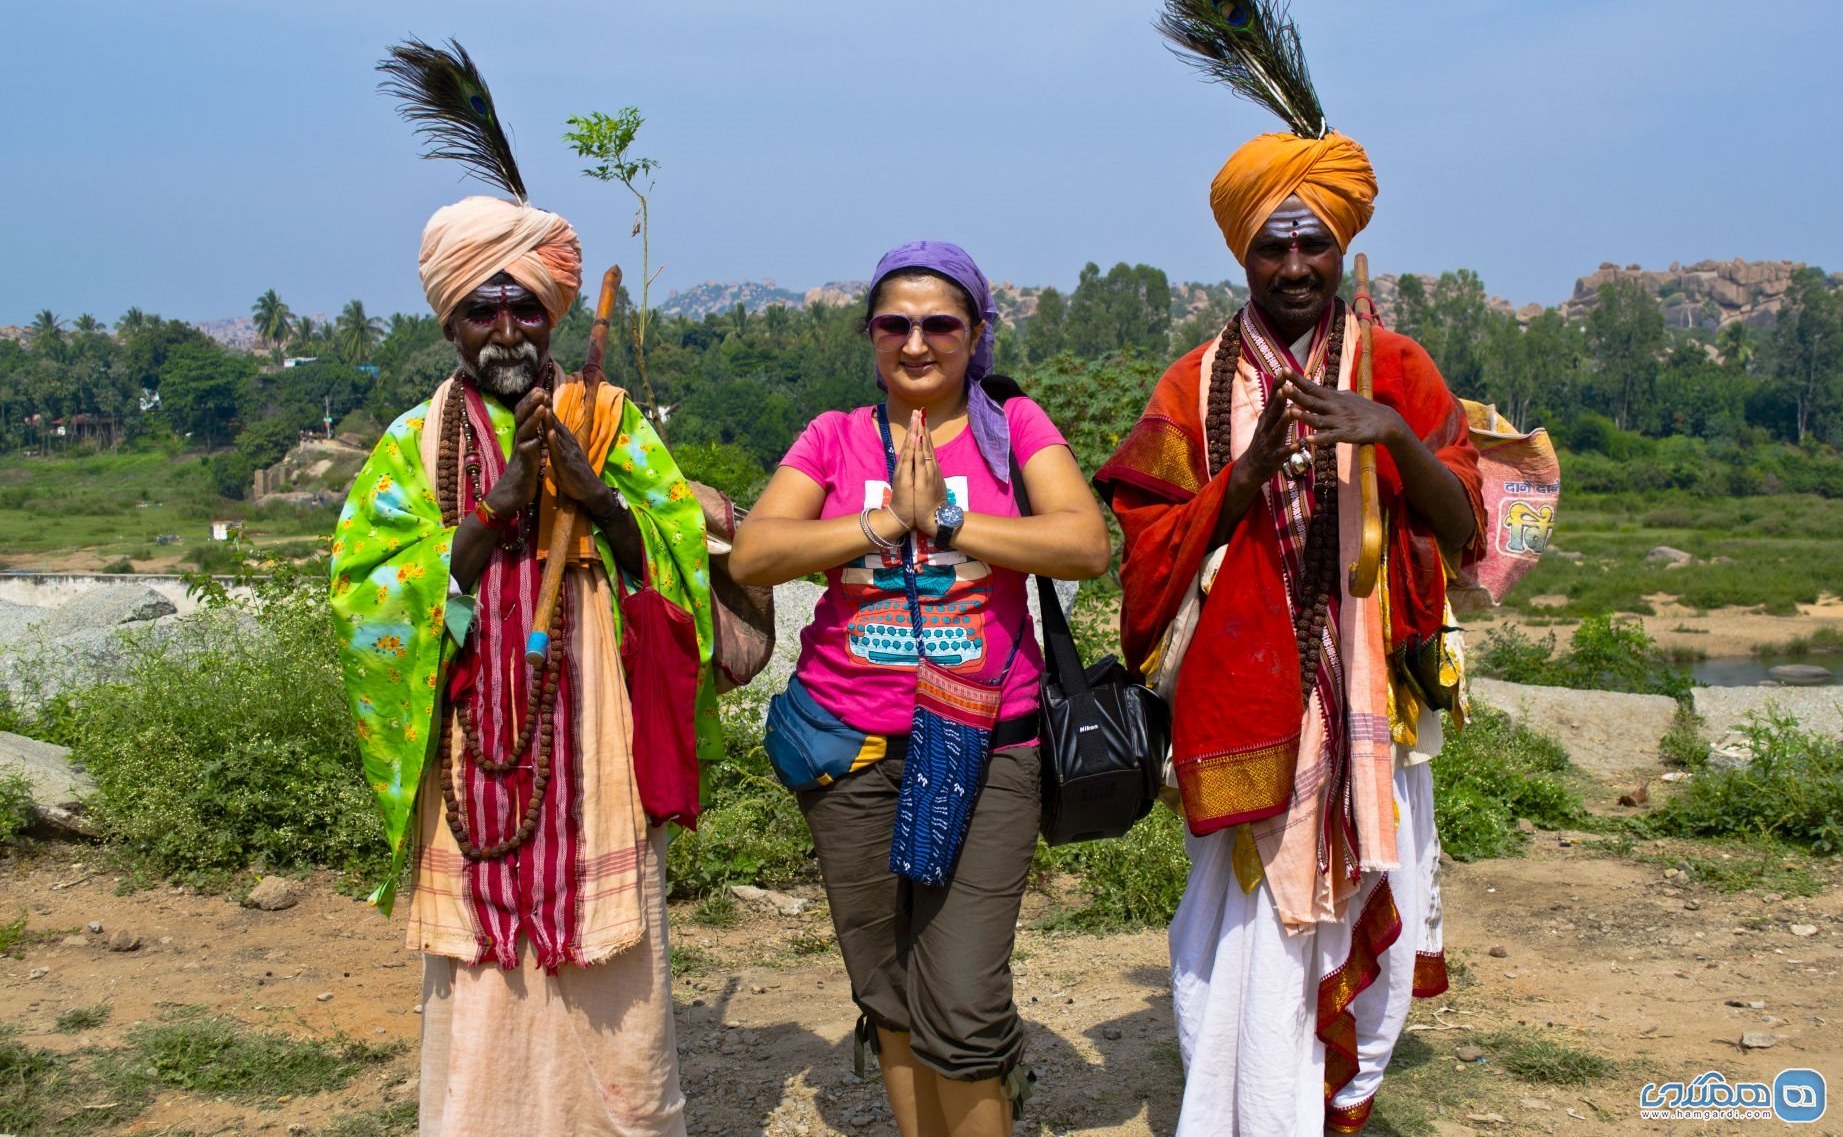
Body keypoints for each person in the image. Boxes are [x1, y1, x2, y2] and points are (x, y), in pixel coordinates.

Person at [1094, 132, 1486, 1135]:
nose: (1297, 265)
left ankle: (1333, 1103)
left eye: (1314, 242)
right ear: (1242, 254)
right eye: (1274, 245)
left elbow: (1468, 527)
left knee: (1372, 946)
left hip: (1375, 720)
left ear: (1341, 244)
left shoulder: (1395, 366)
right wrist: (1247, 471)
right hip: (1242, 712)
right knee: (1237, 949)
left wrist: (1389, 431)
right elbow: (1143, 556)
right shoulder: (1192, 385)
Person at [330, 194, 716, 1136]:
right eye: (482, 309)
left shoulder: (613, 423)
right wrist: (497, 504)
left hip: (596, 754)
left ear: (552, 312)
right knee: (480, 998)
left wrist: (599, 498)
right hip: (474, 759)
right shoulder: (411, 447)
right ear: (451, 321)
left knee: (615, 995)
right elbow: (370, 597)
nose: (505, 327)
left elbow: (673, 570)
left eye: (525, 306)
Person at [729, 241, 1110, 1137]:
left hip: (987, 748)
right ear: (870, 335)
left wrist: (944, 516)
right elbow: (755, 552)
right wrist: (879, 519)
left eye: (939, 323)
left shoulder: (1013, 428)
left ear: (974, 334)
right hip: (848, 745)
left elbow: (1084, 544)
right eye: (893, 324)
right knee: (890, 988)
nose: (915, 342)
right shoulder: (833, 436)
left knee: (966, 1001)